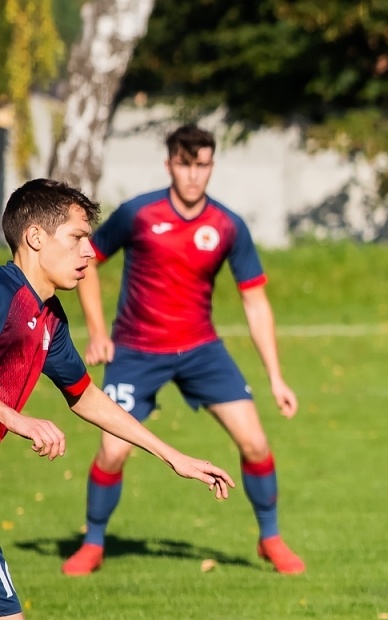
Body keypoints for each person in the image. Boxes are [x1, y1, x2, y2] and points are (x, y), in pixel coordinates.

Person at [0, 180, 234, 620]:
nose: (90, 252)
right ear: (36, 237)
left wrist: (173, 456)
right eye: (78, 237)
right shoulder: (2, 294)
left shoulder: (47, 318)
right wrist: (19, 420)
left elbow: (86, 396)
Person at [60, 124, 301, 576]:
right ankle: (93, 543)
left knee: (254, 441)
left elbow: (254, 300)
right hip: (135, 350)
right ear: (170, 163)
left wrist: (276, 376)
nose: (194, 175)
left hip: (201, 350)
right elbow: (86, 259)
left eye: (202, 165)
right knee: (113, 451)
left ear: (212, 166)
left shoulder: (228, 225)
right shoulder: (139, 214)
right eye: (185, 164)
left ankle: (270, 538)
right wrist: (97, 330)